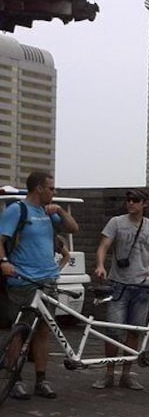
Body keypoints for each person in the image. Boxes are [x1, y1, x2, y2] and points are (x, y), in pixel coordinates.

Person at [0, 171, 79, 400]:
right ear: (39, 189)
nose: (54, 192)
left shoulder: (48, 211)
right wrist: (4, 262)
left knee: (44, 330)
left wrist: (61, 212)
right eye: (51, 188)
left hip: (48, 280)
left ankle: (41, 379)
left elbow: (73, 229)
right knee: (20, 331)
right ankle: (14, 379)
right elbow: (1, 240)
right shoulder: (17, 210)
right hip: (24, 280)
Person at [91, 189, 149, 390]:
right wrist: (100, 265)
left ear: (145, 203)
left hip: (141, 286)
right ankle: (109, 373)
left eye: (135, 200)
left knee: (134, 330)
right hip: (118, 284)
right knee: (113, 330)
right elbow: (103, 245)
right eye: (128, 200)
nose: (130, 203)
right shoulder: (116, 222)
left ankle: (126, 375)